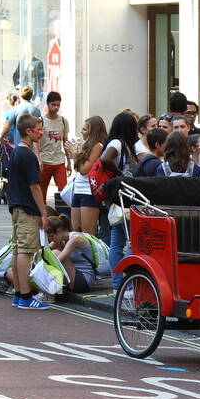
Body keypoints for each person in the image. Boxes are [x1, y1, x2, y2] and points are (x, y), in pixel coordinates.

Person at [6, 113, 50, 309]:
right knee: (25, 251)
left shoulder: (17, 151)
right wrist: (43, 212)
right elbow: (35, 187)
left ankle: (18, 293)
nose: (41, 132)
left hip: (16, 206)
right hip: (27, 209)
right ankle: (25, 296)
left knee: (18, 250)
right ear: (28, 131)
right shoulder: (27, 155)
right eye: (38, 129)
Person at [102, 112, 141, 286]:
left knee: (117, 242)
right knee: (130, 241)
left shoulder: (123, 144)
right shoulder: (117, 143)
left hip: (119, 197)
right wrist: (120, 174)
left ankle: (119, 283)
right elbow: (105, 159)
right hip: (121, 197)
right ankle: (125, 282)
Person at [46, 215, 108, 293]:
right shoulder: (61, 239)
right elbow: (44, 253)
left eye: (51, 237)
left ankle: (49, 293)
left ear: (59, 230)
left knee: (55, 253)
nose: (51, 240)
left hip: (84, 281)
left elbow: (57, 261)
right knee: (48, 255)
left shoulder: (75, 239)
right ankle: (48, 291)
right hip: (74, 276)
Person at [71, 115, 107, 235]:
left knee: (87, 233)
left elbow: (84, 169)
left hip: (89, 191)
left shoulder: (98, 146)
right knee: (75, 231)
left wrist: (75, 153)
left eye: (85, 129)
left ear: (93, 132)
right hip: (78, 189)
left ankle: (90, 254)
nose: (81, 132)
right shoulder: (85, 145)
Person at [37, 91, 71, 203]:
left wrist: (69, 163)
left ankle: (63, 217)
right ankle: (43, 217)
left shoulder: (63, 121)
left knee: (64, 191)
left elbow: (65, 141)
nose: (56, 107)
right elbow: (35, 141)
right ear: (47, 104)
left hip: (59, 161)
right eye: (53, 104)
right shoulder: (40, 121)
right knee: (41, 193)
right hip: (44, 161)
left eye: (58, 105)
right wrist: (38, 159)